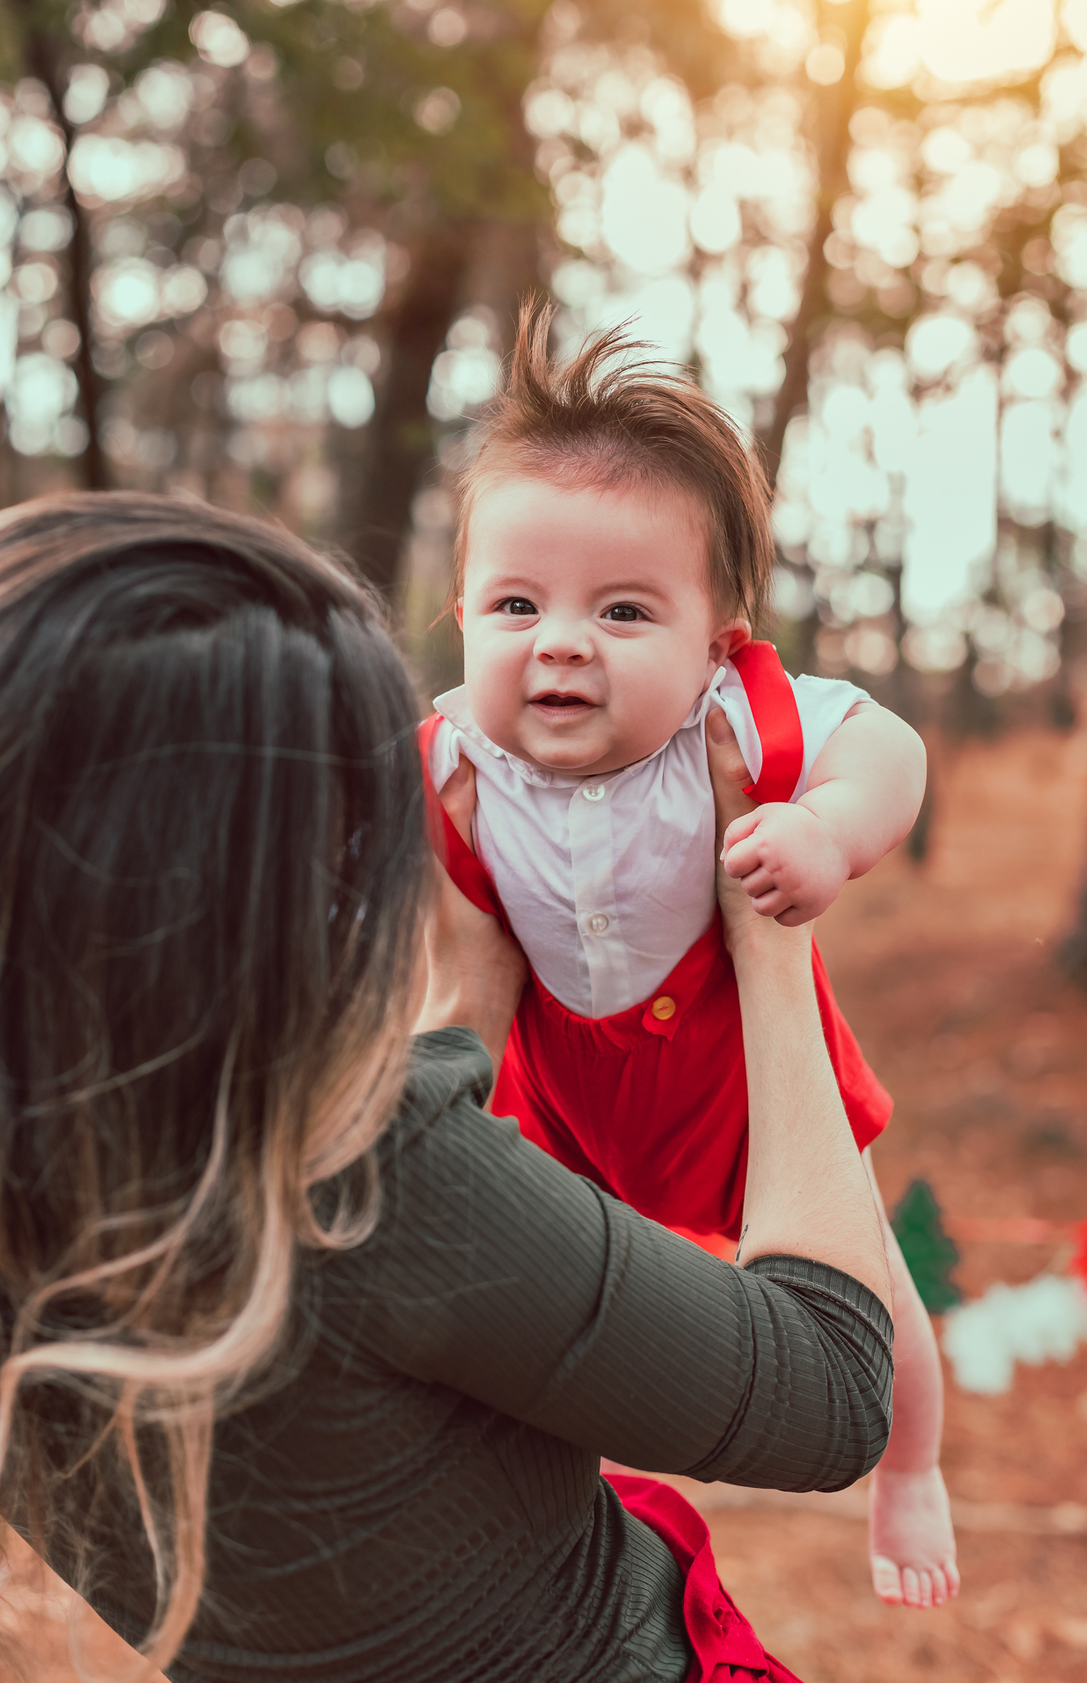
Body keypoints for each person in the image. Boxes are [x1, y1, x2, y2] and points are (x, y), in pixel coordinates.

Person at [0, 491, 894, 1683]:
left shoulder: (61, 1169)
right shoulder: (351, 1176)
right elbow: (831, 1390)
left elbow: (383, 1456)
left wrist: (472, 1000)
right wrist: (768, 950)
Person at [421, 304, 958, 1610]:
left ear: (715, 640)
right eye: (517, 604)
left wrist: (827, 832)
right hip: (557, 1080)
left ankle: (911, 1470)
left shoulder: (741, 720)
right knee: (521, 1294)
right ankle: (544, 1492)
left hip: (738, 1065)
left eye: (622, 610)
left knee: (874, 1284)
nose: (561, 641)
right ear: (462, 614)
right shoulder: (446, 751)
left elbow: (889, 749)